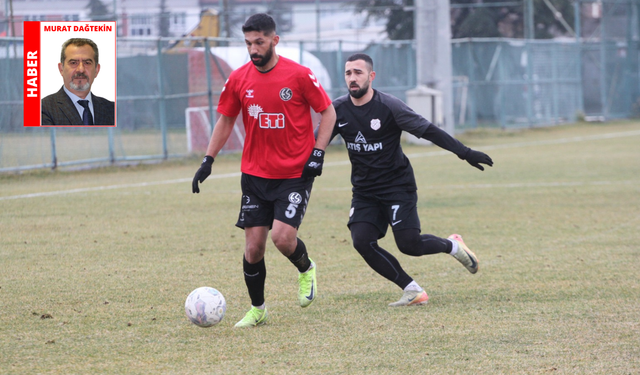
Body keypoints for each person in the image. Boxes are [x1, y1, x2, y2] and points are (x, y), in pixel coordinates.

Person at [192, 13, 336, 327]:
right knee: (253, 247)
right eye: (248, 43)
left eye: (259, 42)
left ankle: (306, 268)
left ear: (274, 40)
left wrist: (318, 153)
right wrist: (208, 159)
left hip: (294, 174)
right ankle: (258, 309)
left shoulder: (299, 75)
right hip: (255, 176)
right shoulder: (239, 78)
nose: (253, 49)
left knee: (282, 239)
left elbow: (328, 112)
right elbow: (226, 119)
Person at [330, 53, 493, 306]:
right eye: (348, 73)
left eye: (358, 73)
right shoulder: (338, 109)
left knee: (409, 245)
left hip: (397, 185)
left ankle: (452, 246)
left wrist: (465, 152)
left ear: (371, 76)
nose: (352, 78)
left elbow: (428, 130)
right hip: (364, 191)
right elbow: (314, 142)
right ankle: (412, 289)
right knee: (362, 241)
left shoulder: (390, 106)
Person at [42, 38, 115, 126]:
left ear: (96, 70)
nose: (80, 69)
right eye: (73, 63)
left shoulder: (112, 109)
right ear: (61, 69)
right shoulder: (43, 109)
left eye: (87, 63)